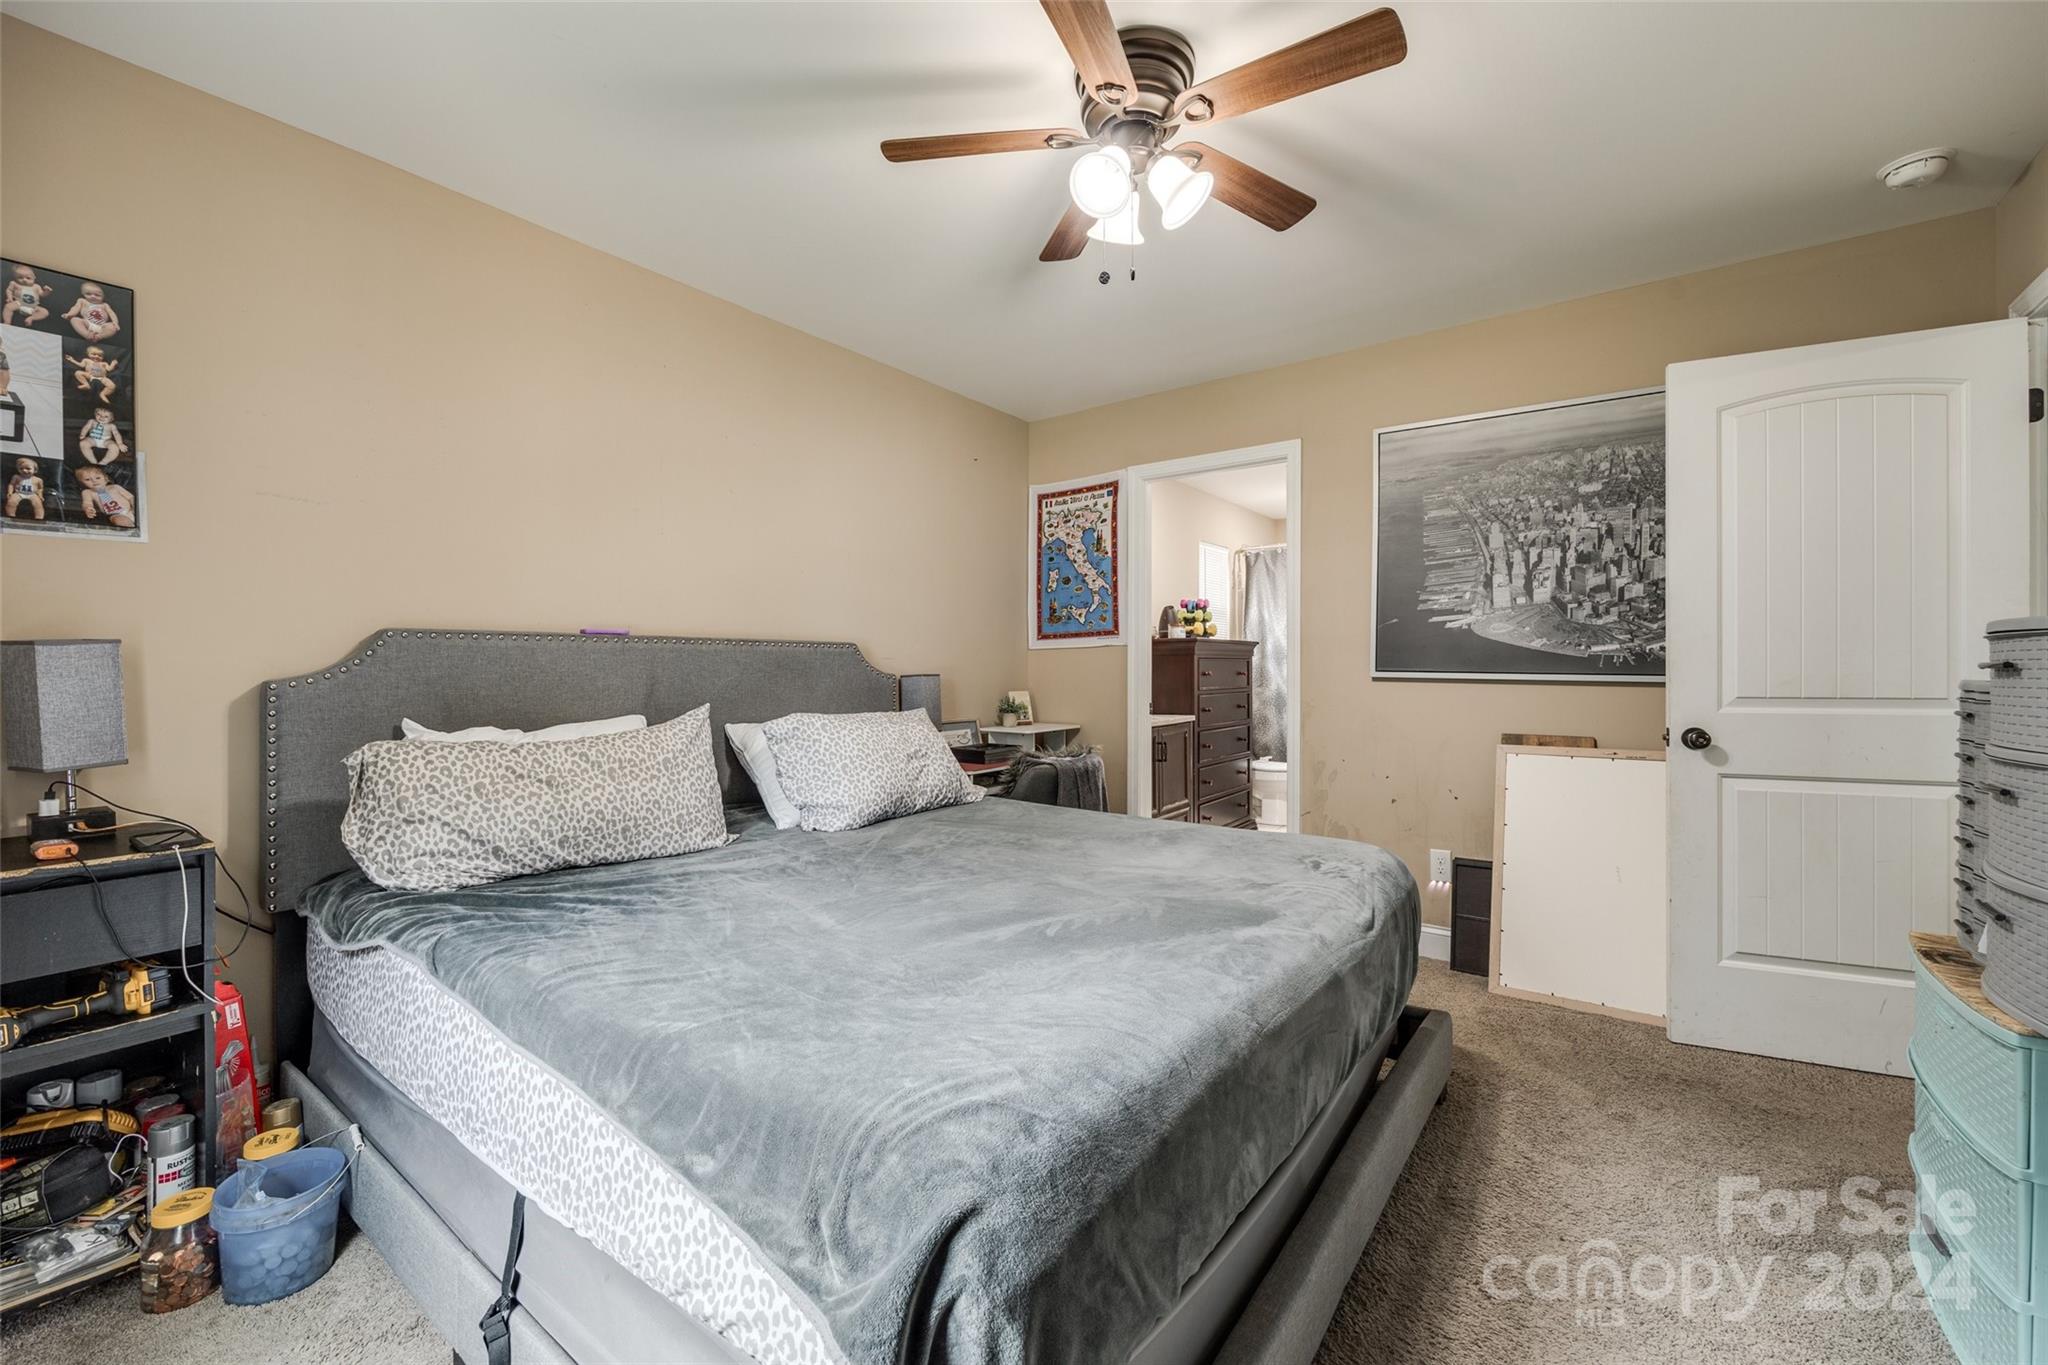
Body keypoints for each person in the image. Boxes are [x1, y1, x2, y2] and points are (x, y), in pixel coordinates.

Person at [75, 463, 135, 529]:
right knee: (121, 521)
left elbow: (131, 497)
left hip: (130, 510)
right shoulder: (88, 492)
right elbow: (86, 502)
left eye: (98, 478)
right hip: (115, 515)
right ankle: (131, 530)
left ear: (106, 479)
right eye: (87, 479)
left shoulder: (115, 487)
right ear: (82, 483)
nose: (94, 481)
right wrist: (88, 508)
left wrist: (134, 508)